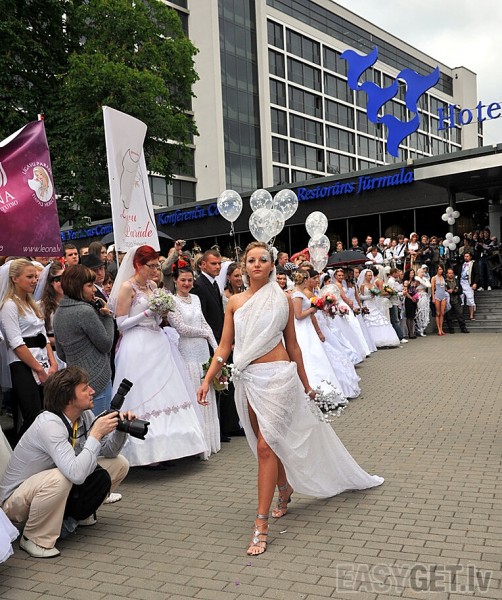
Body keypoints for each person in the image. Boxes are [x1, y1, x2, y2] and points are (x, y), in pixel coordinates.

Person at [197, 242, 383, 556]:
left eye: (263, 260)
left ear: (272, 266)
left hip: (279, 377)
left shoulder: (283, 299)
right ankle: (284, 488)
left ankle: (261, 524)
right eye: (251, 260)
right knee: (266, 444)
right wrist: (207, 380)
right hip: (248, 380)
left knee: (266, 446)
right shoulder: (235, 303)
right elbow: (224, 346)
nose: (257, 264)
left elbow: (293, 346)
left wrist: (307, 385)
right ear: (243, 266)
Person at [0, 367, 130, 558]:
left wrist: (120, 430)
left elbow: (108, 452)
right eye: (85, 388)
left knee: (119, 464)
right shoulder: (49, 424)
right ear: (68, 399)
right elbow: (76, 474)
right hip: (14, 501)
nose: (92, 391)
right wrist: (95, 434)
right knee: (61, 477)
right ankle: (34, 538)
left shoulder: (84, 416)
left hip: (47, 488)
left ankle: (78, 514)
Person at [109, 245, 207, 467]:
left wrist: (160, 314)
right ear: (138, 265)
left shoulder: (153, 286)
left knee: (167, 391)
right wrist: (147, 312)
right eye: (151, 266)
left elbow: (155, 319)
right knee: (143, 392)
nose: (154, 270)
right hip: (137, 344)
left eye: (156, 266)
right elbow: (121, 324)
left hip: (157, 342)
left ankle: (173, 448)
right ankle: (147, 452)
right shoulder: (127, 287)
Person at [0, 259, 58, 440]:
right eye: (30, 277)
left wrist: (53, 363)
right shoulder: (9, 305)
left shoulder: (32, 303)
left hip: (42, 359)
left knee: (47, 412)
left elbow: (43, 335)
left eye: (35, 277)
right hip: (22, 364)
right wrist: (39, 369)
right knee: (33, 415)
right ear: (15, 279)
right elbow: (16, 343)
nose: (35, 280)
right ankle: (20, 450)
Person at [168, 264, 220, 459]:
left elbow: (204, 323)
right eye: (183, 280)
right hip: (187, 351)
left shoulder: (196, 298)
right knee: (193, 391)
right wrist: (203, 333)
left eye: (190, 280)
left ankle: (210, 441)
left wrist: (216, 349)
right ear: (175, 280)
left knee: (207, 390)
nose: (187, 283)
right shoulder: (171, 301)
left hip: (203, 352)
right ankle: (197, 445)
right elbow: (181, 328)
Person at [53, 265, 115, 416]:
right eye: (89, 285)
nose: (94, 289)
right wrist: (107, 317)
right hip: (97, 379)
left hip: (75, 383)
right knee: (100, 423)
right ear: (76, 286)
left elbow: (61, 353)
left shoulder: (59, 312)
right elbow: (106, 344)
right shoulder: (85, 311)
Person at [192, 250, 239, 441]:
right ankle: (222, 428)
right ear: (202, 265)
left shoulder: (213, 284)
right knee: (218, 384)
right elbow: (203, 318)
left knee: (226, 382)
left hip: (220, 340)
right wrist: (216, 342)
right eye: (213, 264)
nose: (218, 267)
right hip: (212, 341)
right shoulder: (199, 285)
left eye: (219, 264)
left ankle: (230, 425)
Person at [291, 270, 349, 400]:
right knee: (309, 355)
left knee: (315, 354)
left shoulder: (300, 293)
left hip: (307, 327)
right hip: (302, 328)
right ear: (305, 280)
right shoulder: (297, 295)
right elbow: (298, 315)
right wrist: (312, 309)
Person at [357, 269, 400, 348]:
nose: (370, 277)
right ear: (365, 276)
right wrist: (369, 297)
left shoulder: (373, 285)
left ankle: (385, 339)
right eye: (368, 275)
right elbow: (360, 297)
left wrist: (376, 294)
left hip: (374, 304)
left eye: (371, 275)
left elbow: (378, 293)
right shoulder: (362, 285)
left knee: (381, 320)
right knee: (370, 321)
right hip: (367, 304)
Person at [444, 268, 469, 334]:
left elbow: (461, 290)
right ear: (447, 274)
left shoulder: (456, 281)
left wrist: (455, 291)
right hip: (448, 300)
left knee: (460, 315)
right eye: (449, 273)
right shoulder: (444, 281)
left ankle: (463, 328)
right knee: (449, 316)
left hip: (456, 300)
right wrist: (447, 291)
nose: (451, 274)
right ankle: (451, 329)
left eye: (452, 273)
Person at [459, 252, 479, 321]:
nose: (466, 257)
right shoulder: (462, 264)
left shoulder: (473, 264)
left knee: (470, 299)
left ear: (470, 257)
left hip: (469, 283)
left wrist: (475, 283)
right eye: (465, 256)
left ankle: (471, 315)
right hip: (461, 283)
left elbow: (477, 274)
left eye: (467, 256)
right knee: (461, 299)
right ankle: (460, 316)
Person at [414, 267, 431, 337]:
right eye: (421, 272)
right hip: (419, 296)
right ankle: (418, 328)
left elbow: (429, 285)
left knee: (424, 312)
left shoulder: (424, 279)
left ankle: (422, 328)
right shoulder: (416, 278)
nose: (422, 273)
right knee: (419, 312)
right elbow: (426, 285)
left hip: (424, 296)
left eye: (423, 272)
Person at [431, 264, 447, 336]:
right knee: (438, 313)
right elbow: (432, 288)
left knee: (442, 313)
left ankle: (441, 328)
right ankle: (439, 329)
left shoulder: (443, 277)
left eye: (441, 269)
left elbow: (445, 287)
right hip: (437, 295)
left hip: (443, 295)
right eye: (439, 269)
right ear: (437, 270)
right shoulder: (434, 278)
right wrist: (433, 297)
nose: (441, 271)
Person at [402, 269, 418, 339]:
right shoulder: (406, 282)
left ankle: (412, 331)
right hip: (409, 299)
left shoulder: (414, 281)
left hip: (414, 298)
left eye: (413, 273)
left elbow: (415, 290)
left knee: (412, 316)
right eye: (411, 273)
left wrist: (416, 297)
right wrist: (412, 298)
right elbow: (405, 292)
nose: (412, 274)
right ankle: (410, 332)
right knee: (409, 316)